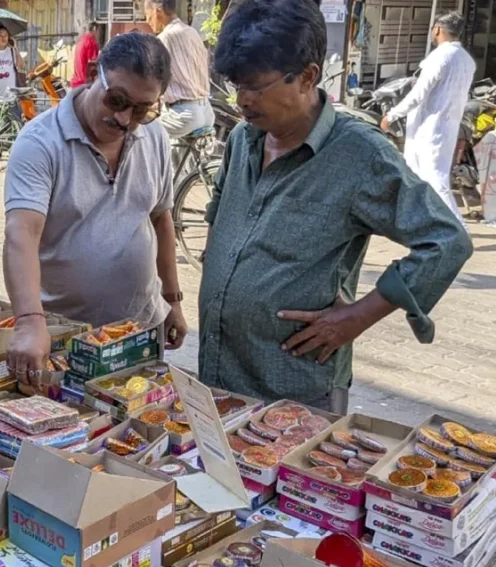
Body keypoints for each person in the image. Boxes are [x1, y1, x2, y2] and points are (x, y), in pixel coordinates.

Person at [200, 0, 472, 411]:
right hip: (219, 372)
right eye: (236, 85)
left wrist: (360, 315)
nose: (242, 100)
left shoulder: (360, 154)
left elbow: (446, 241)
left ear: (308, 77)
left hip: (292, 387)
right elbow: (220, 217)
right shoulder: (244, 139)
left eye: (255, 87)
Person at [3, 33, 186, 386]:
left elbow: (161, 218)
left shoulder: (155, 138)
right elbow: (22, 232)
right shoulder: (39, 143)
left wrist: (171, 300)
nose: (124, 118)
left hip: (138, 332)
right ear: (91, 73)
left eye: (142, 109)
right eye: (116, 100)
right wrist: (29, 321)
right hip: (63, 340)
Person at [381, 12, 475, 226]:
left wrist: (392, 115)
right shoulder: (466, 60)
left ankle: (459, 228)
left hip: (430, 128)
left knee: (435, 179)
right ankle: (413, 222)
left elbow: (418, 94)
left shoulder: (440, 57)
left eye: (433, 28)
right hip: (444, 125)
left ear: (438, 29)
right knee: (413, 176)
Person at [144, 0, 214, 138]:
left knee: (140, 131)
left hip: (183, 115)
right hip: (207, 111)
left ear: (158, 11)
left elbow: (153, 80)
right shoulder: (192, 32)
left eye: (148, 15)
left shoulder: (164, 39)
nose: (147, 20)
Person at [70, 22, 99, 88]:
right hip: (85, 81)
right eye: (97, 31)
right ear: (94, 29)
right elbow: (93, 62)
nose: (98, 34)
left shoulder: (81, 40)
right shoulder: (91, 42)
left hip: (76, 80)